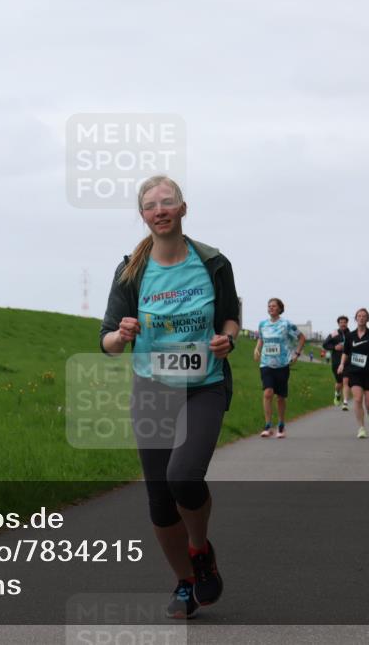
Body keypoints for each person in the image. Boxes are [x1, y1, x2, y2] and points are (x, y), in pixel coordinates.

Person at [100, 175, 239, 619]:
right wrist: (121, 336)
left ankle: (200, 550)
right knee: (160, 498)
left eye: (167, 202)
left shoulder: (213, 262)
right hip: (153, 388)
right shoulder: (131, 271)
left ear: (183, 209)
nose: (159, 210)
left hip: (204, 385)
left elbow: (230, 316)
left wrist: (228, 340)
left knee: (184, 476)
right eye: (150, 205)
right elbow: (106, 339)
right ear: (142, 216)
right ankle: (184, 582)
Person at [253, 298, 306, 439]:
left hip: (282, 364)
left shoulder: (286, 324)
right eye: (269, 306)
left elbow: (302, 338)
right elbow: (261, 338)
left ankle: (281, 424)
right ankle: (268, 426)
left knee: (280, 397)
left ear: (280, 308)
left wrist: (297, 353)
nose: (270, 308)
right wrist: (257, 349)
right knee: (267, 393)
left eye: (274, 306)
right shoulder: (262, 324)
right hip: (266, 363)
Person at [338, 308, 369, 439]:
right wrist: (342, 364)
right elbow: (345, 352)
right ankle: (361, 428)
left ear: (367, 319)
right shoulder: (350, 336)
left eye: (364, 316)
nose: (361, 318)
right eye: (359, 316)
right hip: (355, 372)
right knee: (358, 399)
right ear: (356, 318)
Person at [322, 315, 351, 410]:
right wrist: (334, 347)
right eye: (341, 322)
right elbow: (325, 344)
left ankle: (345, 402)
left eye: (344, 322)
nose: (343, 324)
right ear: (338, 324)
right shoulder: (334, 333)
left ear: (347, 323)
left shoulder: (351, 334)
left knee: (346, 381)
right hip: (336, 362)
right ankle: (337, 394)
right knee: (339, 383)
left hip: (347, 362)